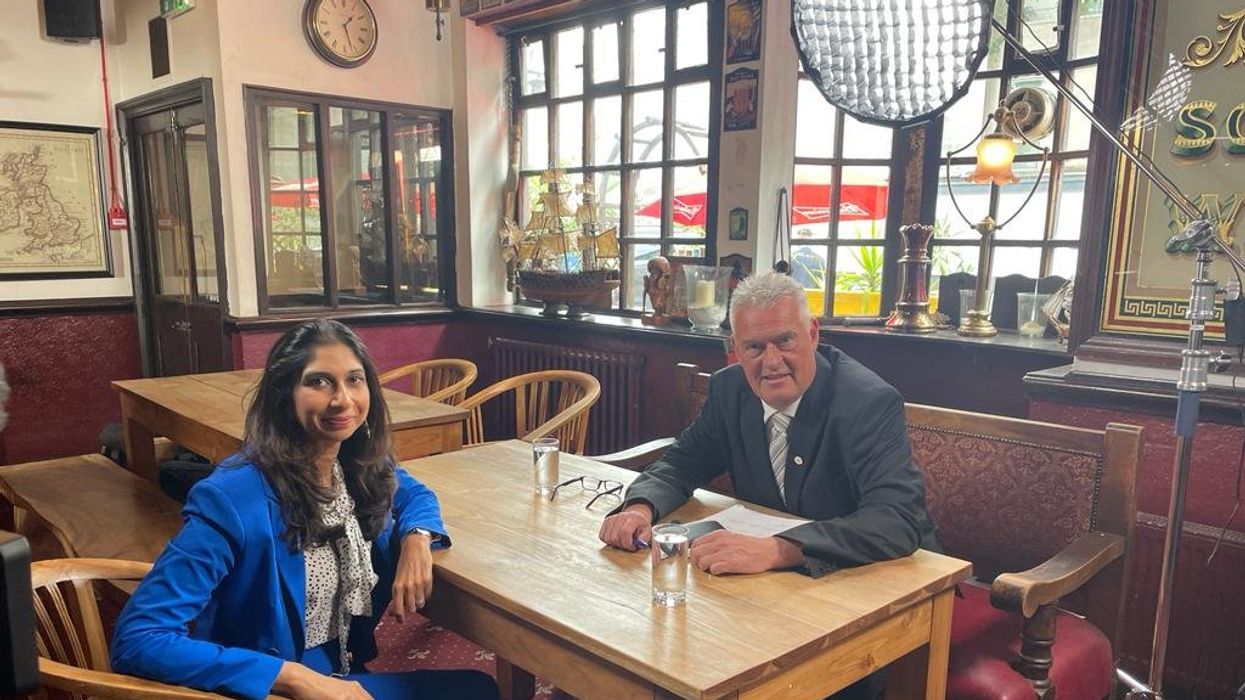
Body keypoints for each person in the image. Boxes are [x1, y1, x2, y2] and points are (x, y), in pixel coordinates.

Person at [111, 320, 498, 700]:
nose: (342, 399)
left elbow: (416, 495)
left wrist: (417, 537)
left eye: (354, 379)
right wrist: (292, 677)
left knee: (478, 687)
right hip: (271, 687)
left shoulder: (356, 463)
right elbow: (138, 638)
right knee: (478, 690)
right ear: (284, 393)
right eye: (318, 381)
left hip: (343, 670)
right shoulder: (232, 497)